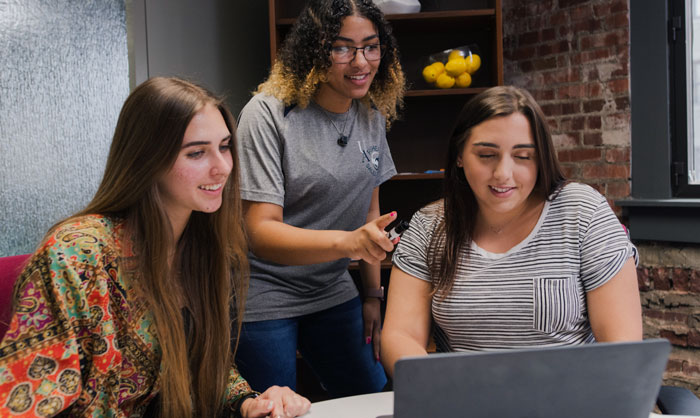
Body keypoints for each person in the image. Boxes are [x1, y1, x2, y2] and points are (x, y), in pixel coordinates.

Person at [0, 77, 310, 418]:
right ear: (146, 159)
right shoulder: (75, 256)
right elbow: (23, 404)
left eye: (224, 146)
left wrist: (249, 402)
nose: (222, 167)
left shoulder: (202, 244)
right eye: (196, 152)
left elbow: (198, 369)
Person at [381, 86, 643, 376]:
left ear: (540, 159)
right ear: (459, 156)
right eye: (486, 155)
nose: (503, 173)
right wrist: (437, 388)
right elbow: (400, 336)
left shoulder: (583, 213)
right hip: (463, 401)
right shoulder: (430, 225)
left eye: (523, 156)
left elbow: (622, 349)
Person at [234, 0, 405, 397]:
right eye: (342, 47)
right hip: (264, 290)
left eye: (371, 46)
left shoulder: (371, 115)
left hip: (330, 288)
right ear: (314, 51)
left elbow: (370, 212)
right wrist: (349, 243)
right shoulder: (267, 115)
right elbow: (260, 232)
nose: (361, 62)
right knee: (275, 406)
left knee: (374, 397)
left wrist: (373, 296)